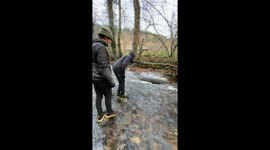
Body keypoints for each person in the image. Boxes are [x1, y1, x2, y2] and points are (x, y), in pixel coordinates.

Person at [92, 26, 117, 123]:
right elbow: (103, 67)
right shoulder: (101, 47)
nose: (110, 42)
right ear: (106, 37)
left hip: (94, 77)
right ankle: (110, 112)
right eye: (110, 39)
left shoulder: (93, 45)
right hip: (102, 78)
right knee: (108, 95)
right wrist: (111, 82)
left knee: (99, 96)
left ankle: (100, 116)